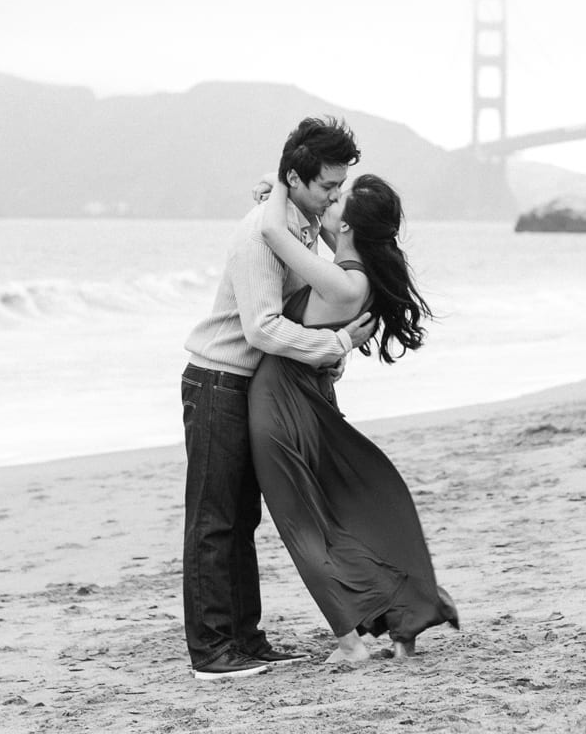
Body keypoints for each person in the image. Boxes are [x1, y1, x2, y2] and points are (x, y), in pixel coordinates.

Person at [181, 117, 377, 681]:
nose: (335, 197)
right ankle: (213, 651)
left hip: (246, 385)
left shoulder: (294, 222)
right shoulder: (259, 233)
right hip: (217, 379)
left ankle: (244, 640)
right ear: (297, 177)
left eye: (340, 187)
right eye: (326, 187)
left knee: (242, 519)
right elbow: (263, 328)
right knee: (214, 520)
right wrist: (332, 344)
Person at [247, 170, 459, 663]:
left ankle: (349, 643)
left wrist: (282, 183)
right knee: (333, 517)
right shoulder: (353, 270)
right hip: (305, 400)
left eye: (338, 198)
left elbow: (274, 234)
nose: (329, 201)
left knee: (303, 524)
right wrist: (284, 196)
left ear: (348, 228)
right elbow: (316, 229)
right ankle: (395, 619)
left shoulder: (343, 282)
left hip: (279, 403)